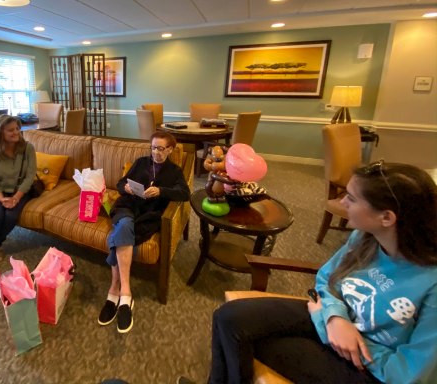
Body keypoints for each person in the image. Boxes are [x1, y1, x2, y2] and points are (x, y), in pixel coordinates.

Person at [208, 161, 437, 383]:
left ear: (386, 217)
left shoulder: (430, 281)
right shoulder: (365, 237)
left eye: (352, 198)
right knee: (228, 318)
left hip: (374, 371)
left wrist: (335, 330)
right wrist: (336, 318)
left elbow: (410, 374)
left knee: (248, 341)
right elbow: (328, 278)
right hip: (335, 319)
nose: (342, 202)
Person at [98, 131, 190, 333]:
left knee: (122, 233)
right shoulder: (141, 162)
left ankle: (114, 291)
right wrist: (127, 189)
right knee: (124, 226)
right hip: (127, 206)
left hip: (148, 214)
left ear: (170, 149)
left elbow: (185, 194)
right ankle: (125, 293)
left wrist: (161, 191)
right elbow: (121, 183)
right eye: (153, 148)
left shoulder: (174, 171)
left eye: (161, 148)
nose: (156, 152)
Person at [0, 115, 36, 267]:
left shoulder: (28, 148)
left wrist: (16, 197)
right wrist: (1, 198)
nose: (16, 132)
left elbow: (30, 177)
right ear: (0, 132)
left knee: (11, 216)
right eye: (10, 130)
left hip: (20, 191)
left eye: (17, 128)